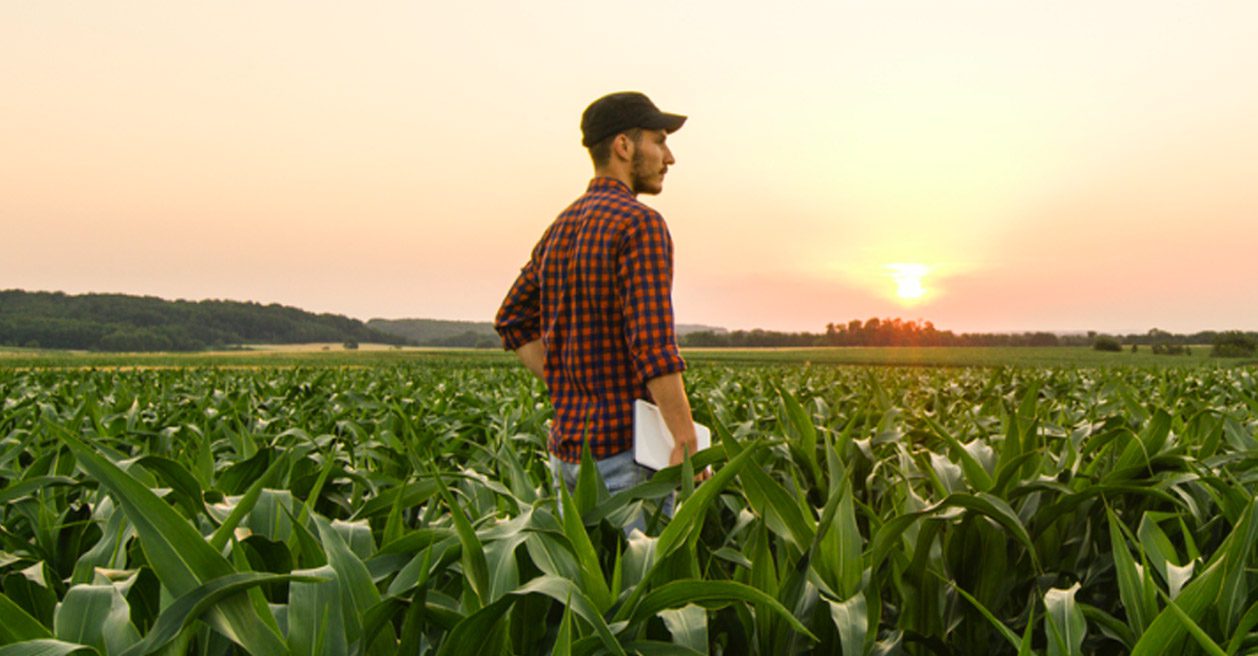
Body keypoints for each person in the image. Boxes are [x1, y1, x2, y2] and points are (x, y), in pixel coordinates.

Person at [494, 91, 706, 527]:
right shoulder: (640, 224)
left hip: (567, 458)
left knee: (580, 571)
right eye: (659, 141)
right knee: (640, 570)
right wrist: (685, 438)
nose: (670, 157)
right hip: (626, 461)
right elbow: (653, 345)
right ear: (623, 146)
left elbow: (511, 318)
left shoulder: (562, 226)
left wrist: (567, 382)